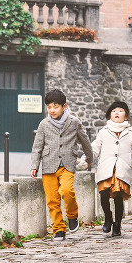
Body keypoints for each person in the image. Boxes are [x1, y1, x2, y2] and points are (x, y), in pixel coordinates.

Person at [30, 89, 93, 241]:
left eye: (55, 107)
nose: (52, 110)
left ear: (64, 106)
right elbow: (37, 146)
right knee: (52, 200)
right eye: (49, 107)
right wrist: (34, 165)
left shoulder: (74, 122)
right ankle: (59, 229)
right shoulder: (43, 124)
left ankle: (72, 216)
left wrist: (89, 158)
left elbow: (85, 142)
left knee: (66, 190)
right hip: (48, 165)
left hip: (67, 164)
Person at [90, 100, 132, 237]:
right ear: (109, 115)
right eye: (114, 111)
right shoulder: (103, 132)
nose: (117, 113)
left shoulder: (131, 133)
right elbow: (95, 148)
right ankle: (108, 218)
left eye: (120, 111)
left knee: (118, 198)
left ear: (126, 116)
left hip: (122, 169)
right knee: (103, 195)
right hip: (106, 168)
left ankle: (118, 225)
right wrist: (86, 159)